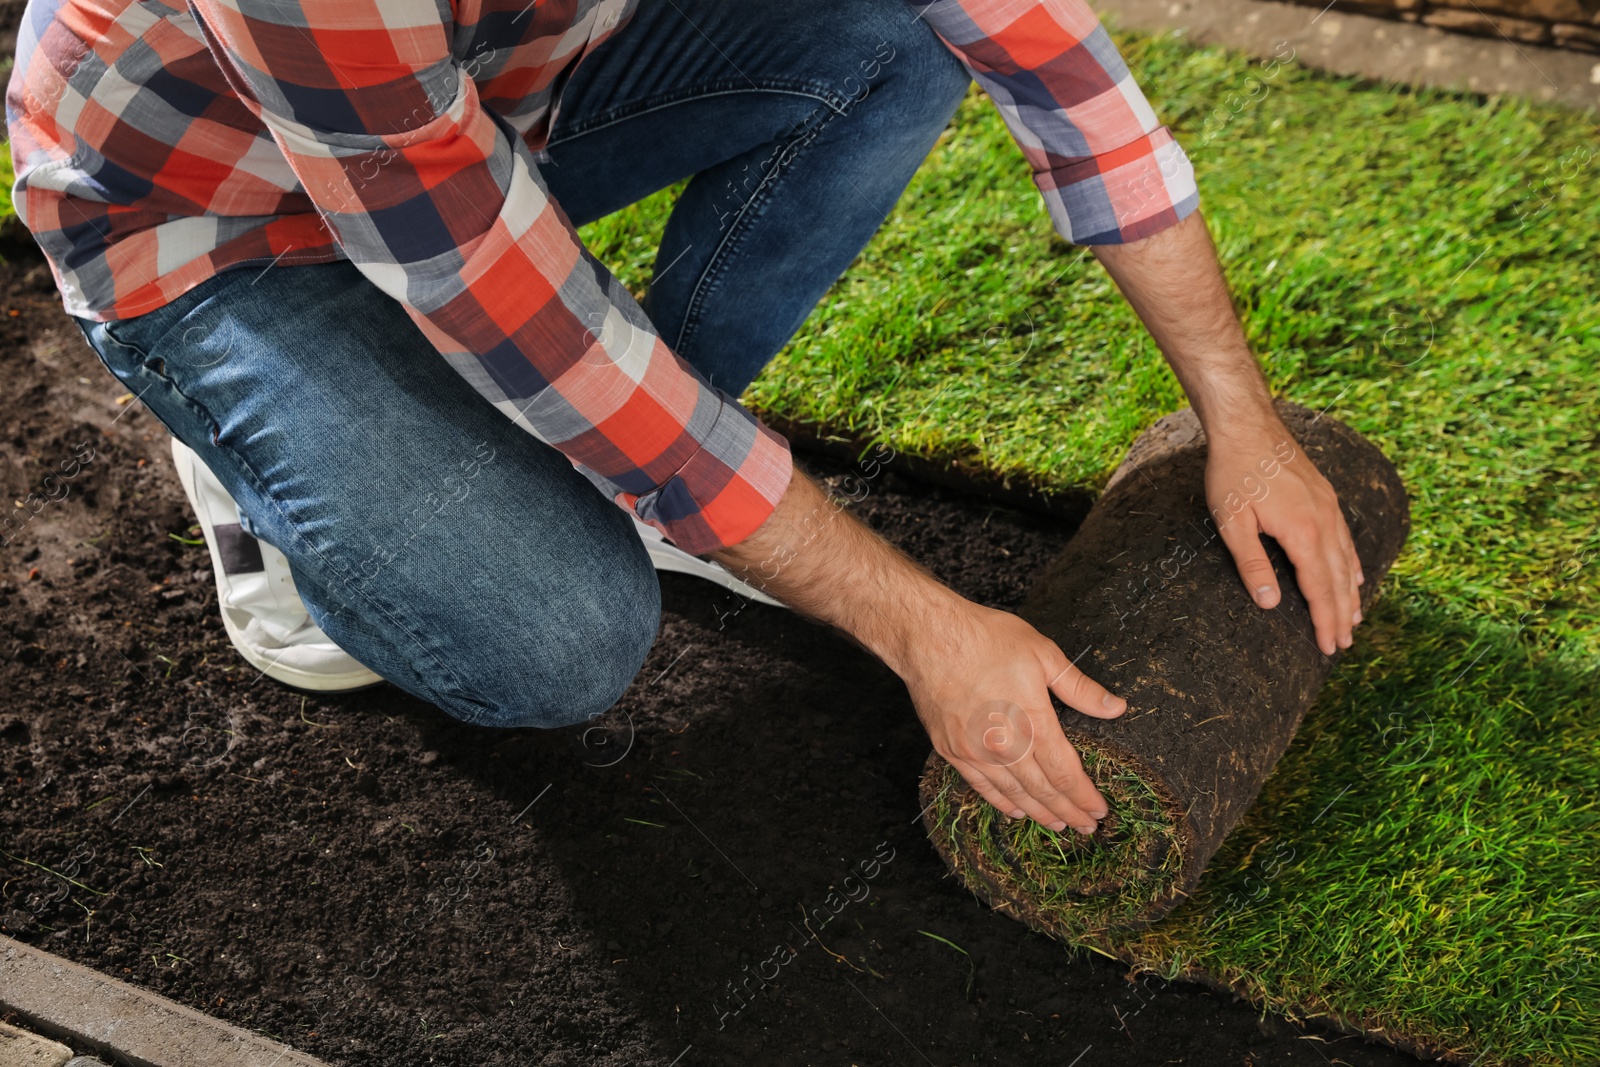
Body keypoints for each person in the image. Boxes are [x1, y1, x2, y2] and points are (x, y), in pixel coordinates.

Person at [5, 0, 1362, 838]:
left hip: (488, 106)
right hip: (207, 216)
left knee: (887, 33)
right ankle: (261, 452)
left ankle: (641, 472)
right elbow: (501, 294)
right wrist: (924, 627)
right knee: (557, 642)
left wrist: (1236, 415)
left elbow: (1049, 62)